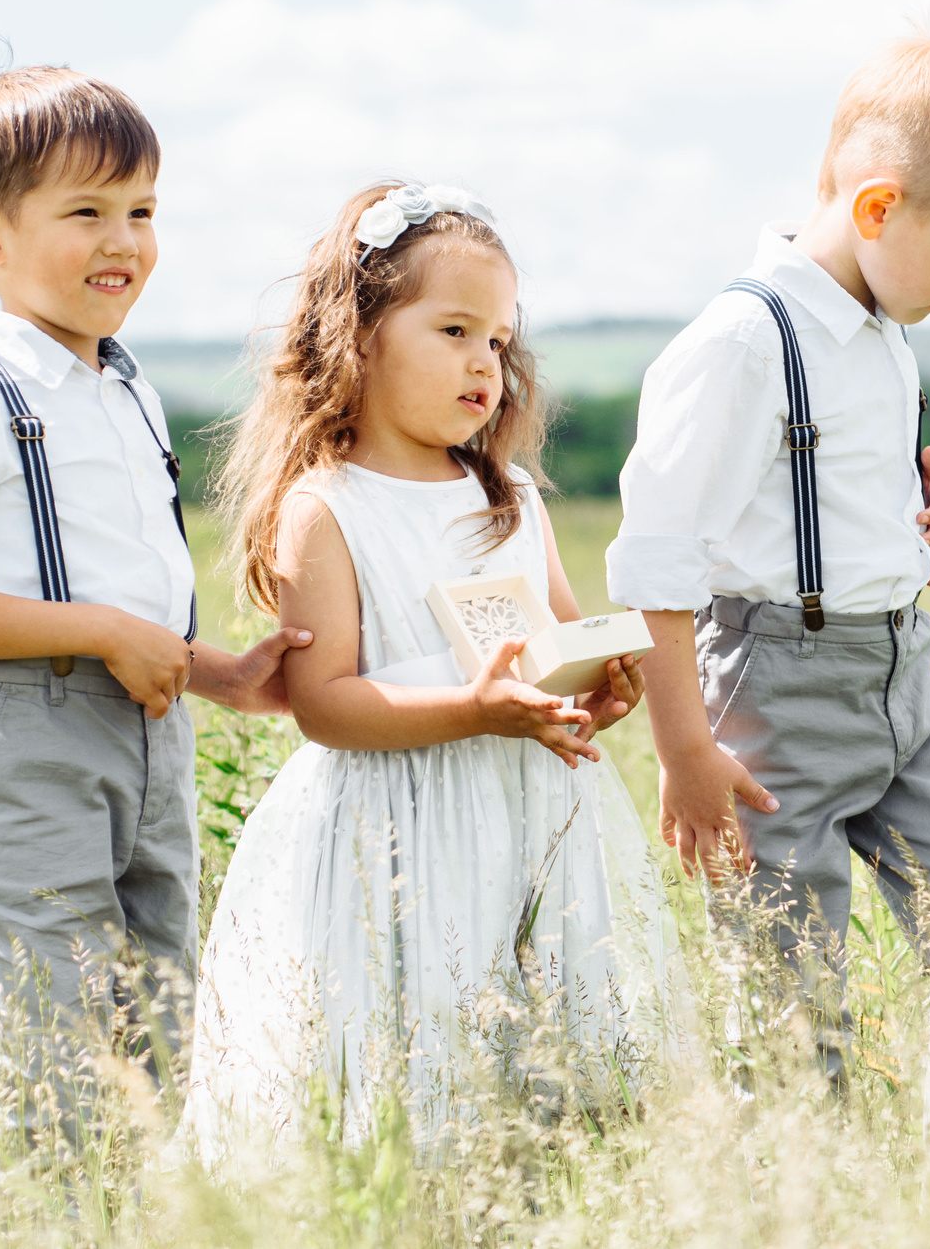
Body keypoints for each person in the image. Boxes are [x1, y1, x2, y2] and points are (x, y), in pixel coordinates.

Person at [0, 64, 310, 1159]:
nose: (125, 239)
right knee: (55, 1068)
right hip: (27, 749)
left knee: (160, 1054)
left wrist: (220, 672)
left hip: (150, 746)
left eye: (143, 211)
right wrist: (103, 634)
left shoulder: (124, 386)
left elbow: (126, 596)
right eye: (87, 212)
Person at [187, 181, 684, 1156]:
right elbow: (324, 703)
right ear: (359, 336)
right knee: (411, 1055)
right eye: (454, 329)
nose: (483, 364)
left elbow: (557, 641)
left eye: (498, 341)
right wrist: (472, 706)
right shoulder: (326, 507)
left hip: (522, 812)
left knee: (534, 1056)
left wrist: (592, 689)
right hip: (397, 826)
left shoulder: (511, 499)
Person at [608, 31, 930, 1076]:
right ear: (876, 209)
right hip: (774, 701)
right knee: (790, 1008)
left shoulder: (885, 328)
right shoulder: (740, 341)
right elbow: (658, 560)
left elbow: (833, 487)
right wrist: (683, 748)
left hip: (902, 689)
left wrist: (917, 506)